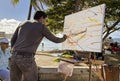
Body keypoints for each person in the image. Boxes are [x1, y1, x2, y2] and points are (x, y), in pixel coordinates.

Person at [10, 11, 67, 81]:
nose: (45, 22)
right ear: (41, 18)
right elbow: (56, 40)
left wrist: (14, 52)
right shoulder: (41, 26)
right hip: (26, 58)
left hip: (13, 57)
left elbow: (13, 40)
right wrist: (64, 38)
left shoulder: (22, 23)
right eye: (45, 20)